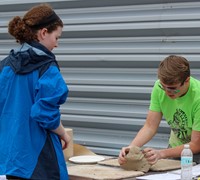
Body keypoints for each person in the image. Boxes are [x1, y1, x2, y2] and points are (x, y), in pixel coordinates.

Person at [0, 3, 70, 180]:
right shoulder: (47, 68)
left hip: (12, 159)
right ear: (44, 33)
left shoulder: (5, 66)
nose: (57, 44)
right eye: (57, 37)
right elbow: (44, 113)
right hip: (39, 160)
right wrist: (63, 133)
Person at [118, 55, 200, 166]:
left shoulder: (198, 97)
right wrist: (131, 148)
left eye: (172, 88)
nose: (167, 92)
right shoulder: (159, 87)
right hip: (175, 149)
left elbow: (196, 144)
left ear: (187, 81)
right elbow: (150, 126)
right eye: (163, 86)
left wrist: (161, 153)